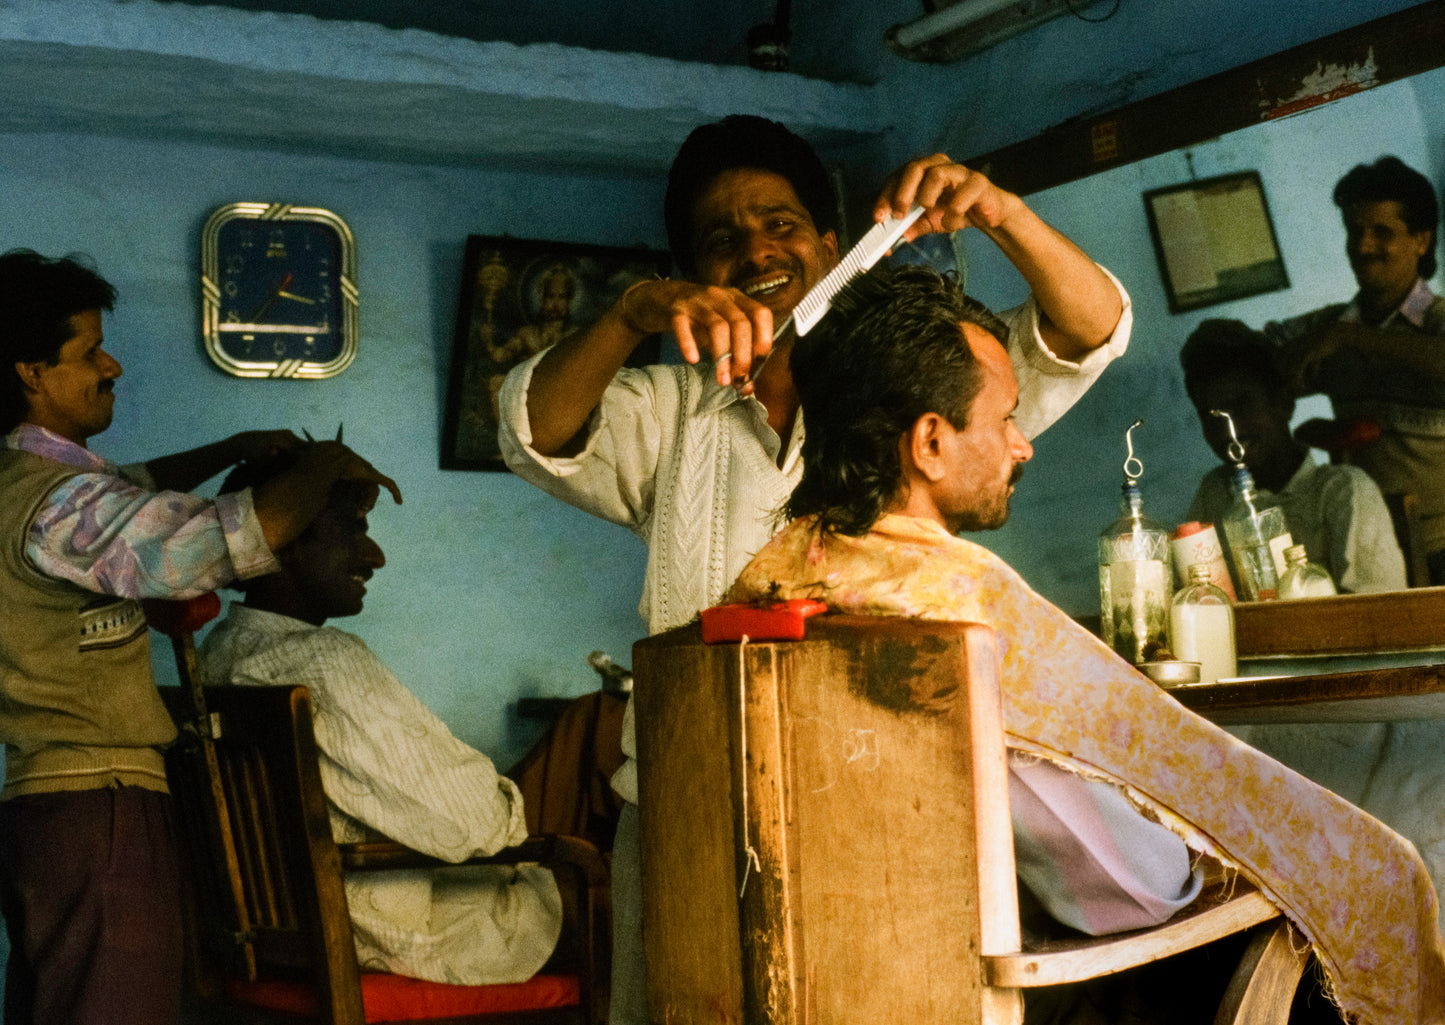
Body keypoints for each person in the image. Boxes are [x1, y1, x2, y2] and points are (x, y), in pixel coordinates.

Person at [497, 114, 1133, 1023]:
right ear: (690, 273)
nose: (754, 249)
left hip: (884, 808)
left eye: (779, 223)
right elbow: (533, 432)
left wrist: (998, 212)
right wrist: (632, 311)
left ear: (832, 246)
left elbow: (1089, 327)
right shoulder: (669, 412)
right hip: (690, 808)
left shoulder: (925, 386)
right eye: (720, 239)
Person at [729, 263, 1445, 1025]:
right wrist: (1215, 876)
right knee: (1375, 878)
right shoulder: (958, 608)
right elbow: (1134, 886)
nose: (1020, 446)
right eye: (1005, 418)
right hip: (1038, 946)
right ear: (930, 443)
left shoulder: (789, 575)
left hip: (857, 939)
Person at [0, 249, 399, 1025]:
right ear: (30, 371)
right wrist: (324, 464)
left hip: (47, 812)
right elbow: (198, 551)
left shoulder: (20, 484)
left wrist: (228, 450)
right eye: (89, 352)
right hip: (101, 811)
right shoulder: (59, 504)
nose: (112, 363)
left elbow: (125, 492)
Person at [200, 451, 563, 986]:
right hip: (395, 936)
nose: (374, 556)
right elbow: (472, 825)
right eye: (352, 530)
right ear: (287, 542)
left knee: (591, 739)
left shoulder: (215, 657)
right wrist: (513, 811)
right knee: (599, 778)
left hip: (278, 933)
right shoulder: (324, 663)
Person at [1264, 155, 1445, 582]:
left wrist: (1350, 338)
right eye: (1354, 232)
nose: (1363, 247)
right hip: (1368, 550)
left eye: (1382, 232)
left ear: (1422, 240)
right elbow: (1260, 355)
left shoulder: (1435, 320)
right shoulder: (1329, 326)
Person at [1180, 318, 1406, 593]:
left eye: (1242, 406)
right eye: (1211, 416)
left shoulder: (1343, 492)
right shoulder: (1215, 493)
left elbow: (1376, 613)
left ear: (1283, 403)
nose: (1231, 430)